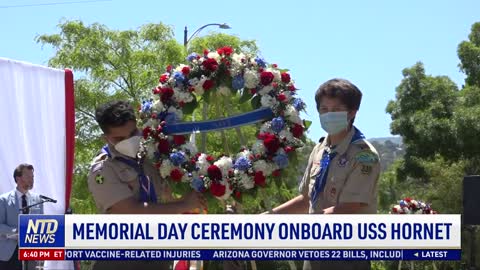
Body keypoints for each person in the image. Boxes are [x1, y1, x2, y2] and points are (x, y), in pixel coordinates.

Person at [266, 78, 380, 270]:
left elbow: (349, 207)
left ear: (352, 112)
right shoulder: (320, 149)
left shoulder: (364, 155)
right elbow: (306, 199)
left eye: (336, 110)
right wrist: (267, 217)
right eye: (324, 110)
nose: (329, 115)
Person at [88, 100, 206, 270]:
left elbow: (165, 197)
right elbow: (131, 210)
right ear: (105, 137)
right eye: (119, 138)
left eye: (133, 133)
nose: (128, 141)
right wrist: (184, 205)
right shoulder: (102, 169)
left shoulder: (152, 156)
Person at [0, 163, 44, 270]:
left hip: (32, 253)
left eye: (32, 177)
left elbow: (41, 224)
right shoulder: (3, 200)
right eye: (28, 176)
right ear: (18, 178)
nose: (31, 179)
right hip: (9, 254)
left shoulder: (38, 200)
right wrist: (17, 232)